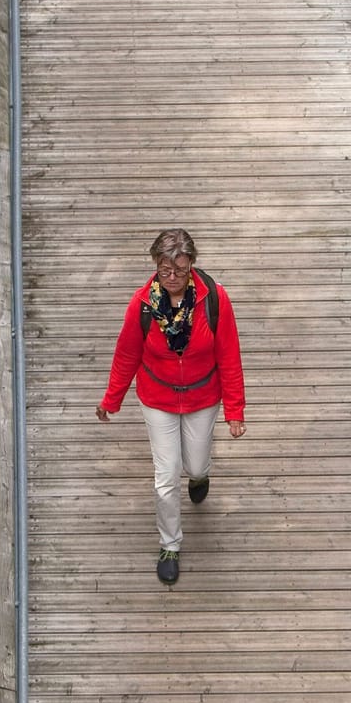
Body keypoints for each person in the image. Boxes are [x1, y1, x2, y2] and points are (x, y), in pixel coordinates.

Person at [95, 228, 247, 584]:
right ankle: (170, 544)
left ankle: (200, 475)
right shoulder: (142, 304)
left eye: (179, 269)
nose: (173, 277)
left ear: (191, 264)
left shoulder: (215, 300)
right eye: (165, 270)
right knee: (165, 478)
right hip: (158, 398)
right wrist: (111, 400)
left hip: (203, 396)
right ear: (156, 267)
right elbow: (126, 354)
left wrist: (235, 411)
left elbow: (229, 356)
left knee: (194, 463)